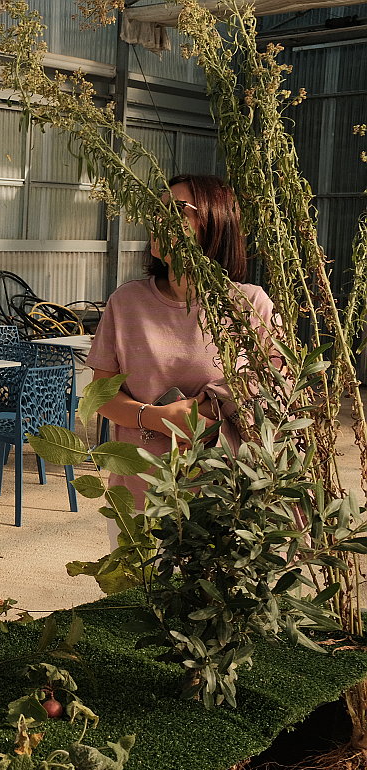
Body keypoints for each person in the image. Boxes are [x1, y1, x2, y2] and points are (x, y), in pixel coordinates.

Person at [88, 174, 275, 523]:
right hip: (138, 494)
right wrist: (158, 418)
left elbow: (274, 387)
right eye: (158, 210)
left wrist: (204, 406)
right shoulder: (128, 302)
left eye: (177, 210)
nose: (160, 220)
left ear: (215, 221)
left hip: (224, 496)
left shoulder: (249, 305)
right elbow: (100, 395)